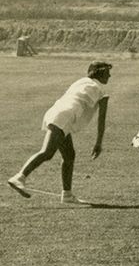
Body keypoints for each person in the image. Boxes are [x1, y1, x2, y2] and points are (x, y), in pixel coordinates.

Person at [9, 61, 111, 203]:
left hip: (56, 112)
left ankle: (67, 195)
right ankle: (19, 177)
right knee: (47, 152)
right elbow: (102, 120)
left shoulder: (80, 82)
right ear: (99, 73)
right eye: (107, 72)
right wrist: (98, 143)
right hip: (64, 117)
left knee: (69, 155)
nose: (109, 76)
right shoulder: (100, 90)